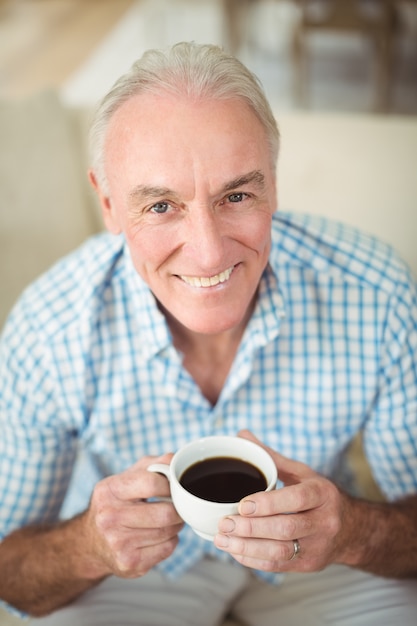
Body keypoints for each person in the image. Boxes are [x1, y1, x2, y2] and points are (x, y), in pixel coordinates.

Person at [0, 41, 416, 626]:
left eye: (238, 195)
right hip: (134, 575)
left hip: (322, 559)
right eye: (162, 205)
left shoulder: (376, 293)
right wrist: (87, 546)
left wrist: (352, 531)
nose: (208, 252)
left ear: (274, 184)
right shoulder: (48, 330)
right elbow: (8, 570)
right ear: (109, 203)